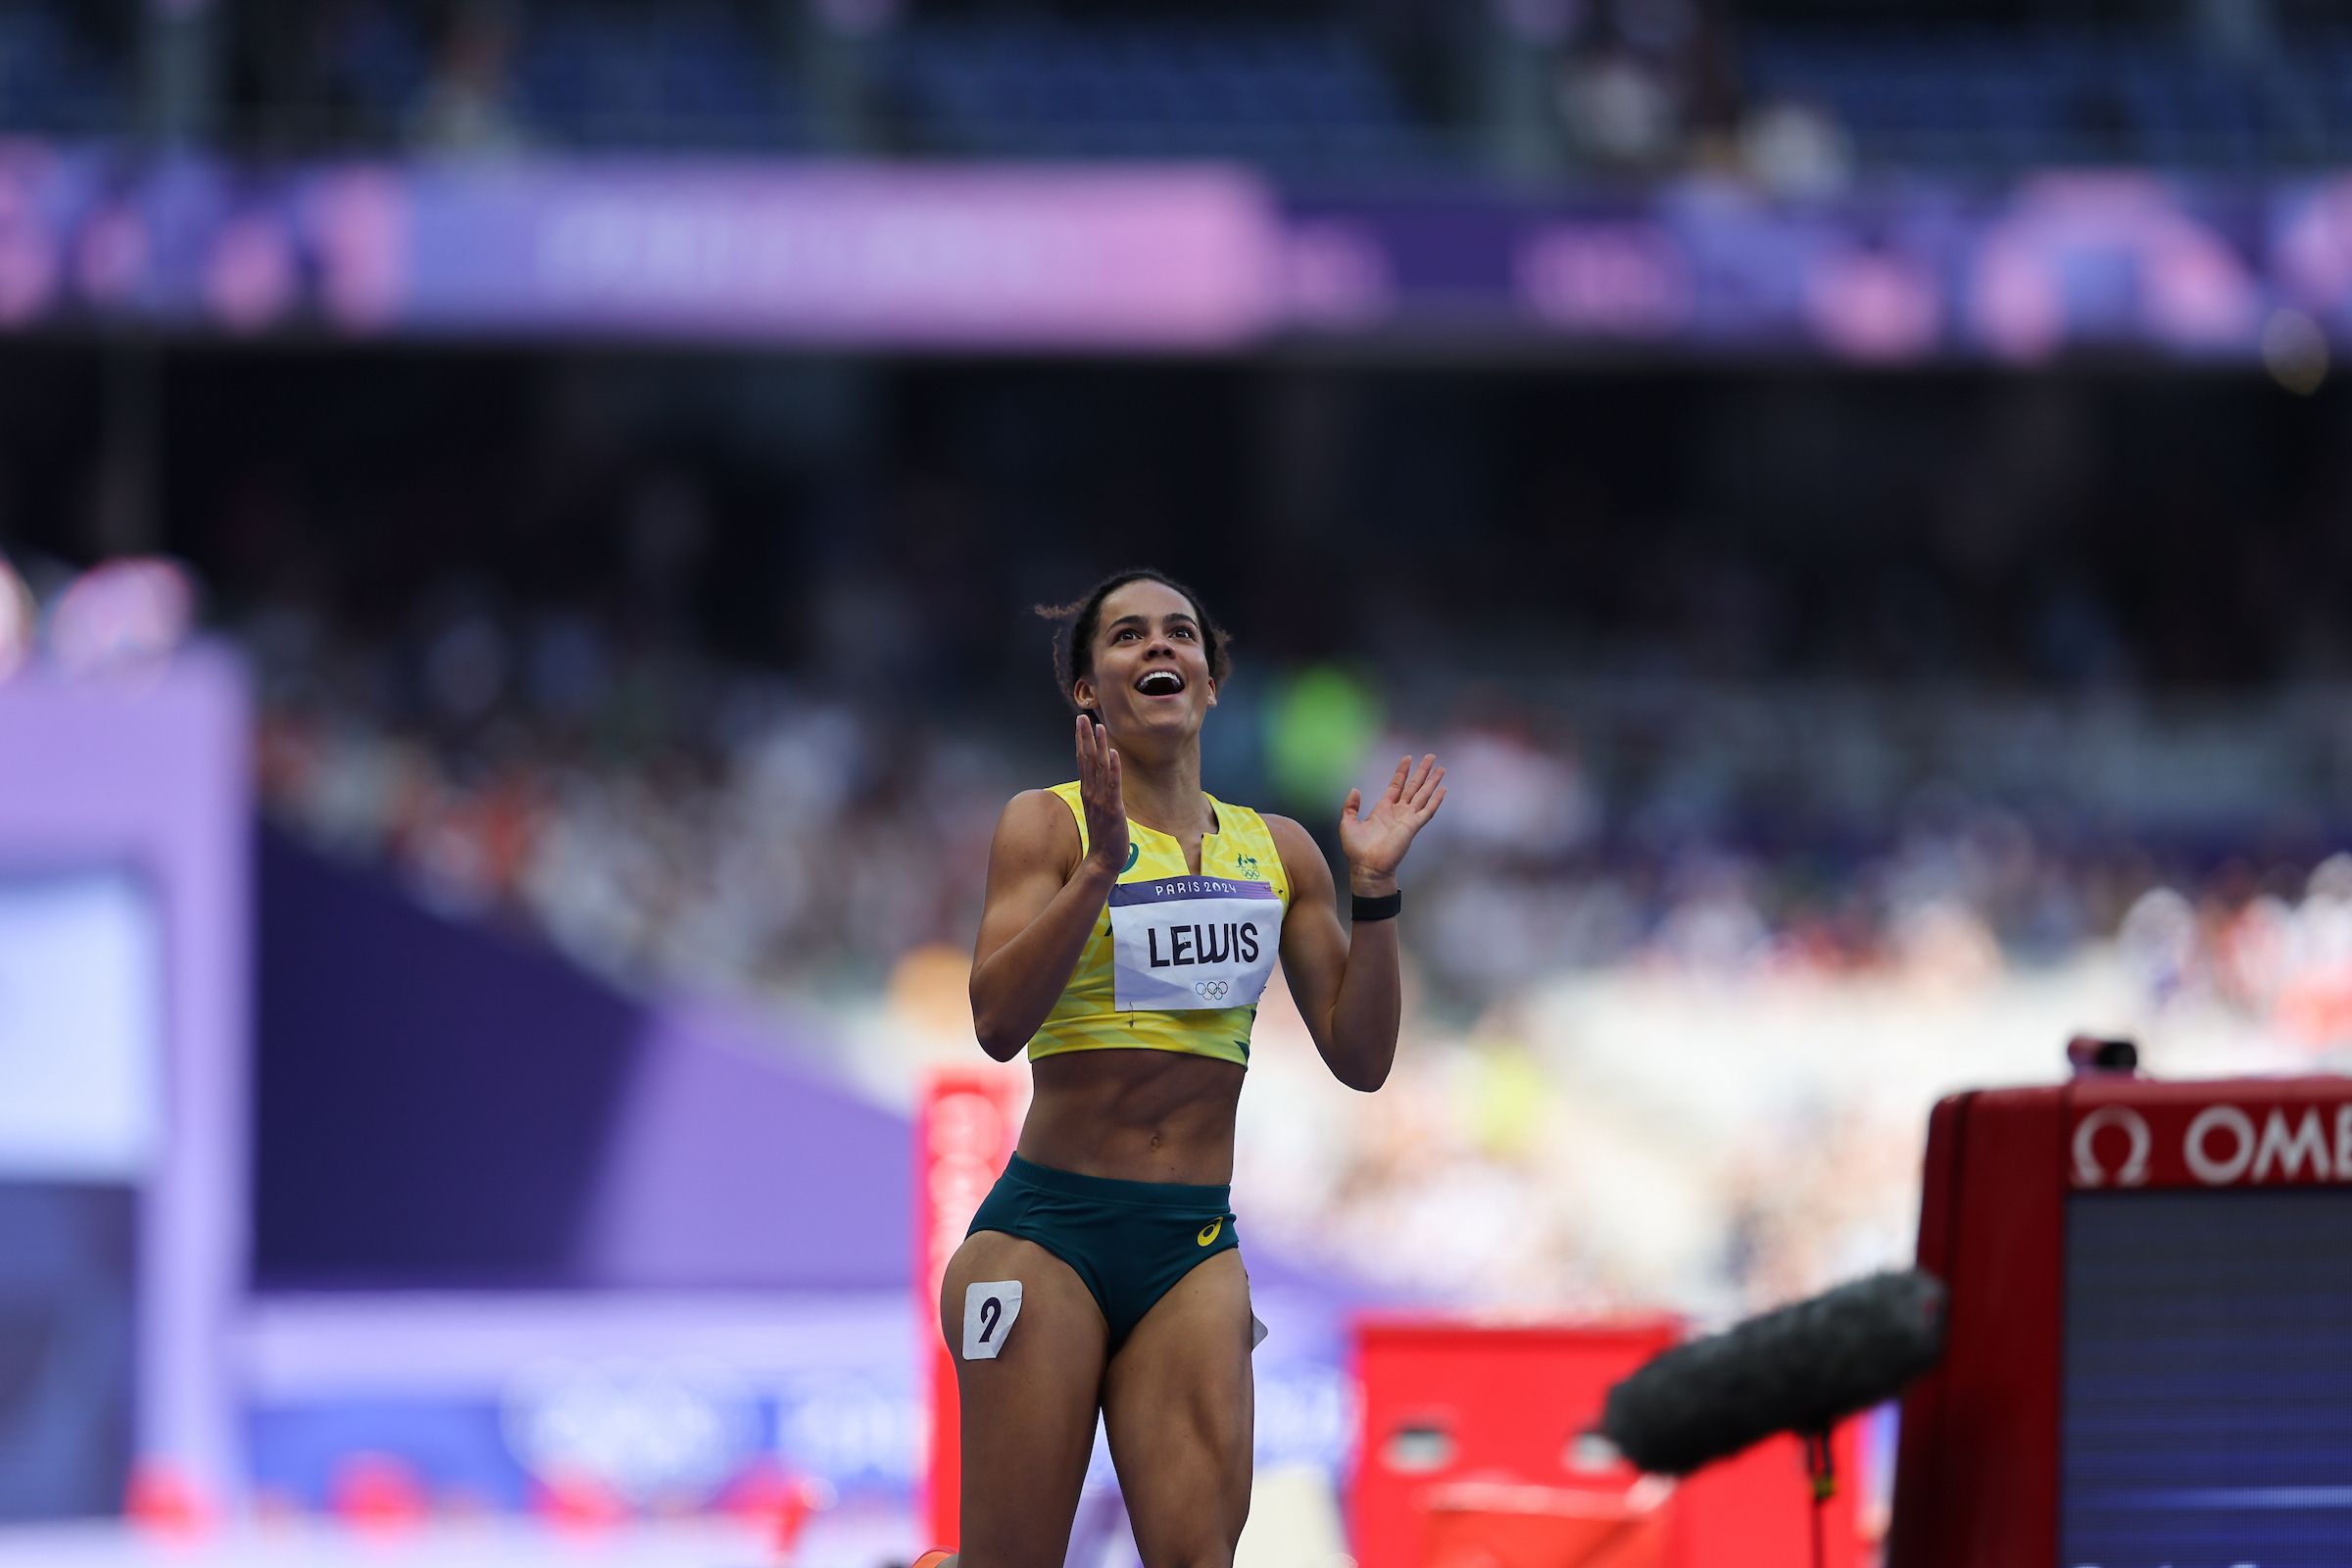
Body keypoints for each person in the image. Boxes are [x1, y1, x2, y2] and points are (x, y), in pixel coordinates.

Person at [917, 568, 1446, 1568]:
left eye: (1179, 635)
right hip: (1047, 1236)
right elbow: (995, 1021)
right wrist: (1100, 874)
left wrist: (1373, 889)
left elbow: (1363, 1057)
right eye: (1126, 636)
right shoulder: (1047, 825)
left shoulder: (1280, 851)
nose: (1159, 648)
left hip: (1190, 1244)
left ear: (1210, 680)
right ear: (1088, 690)